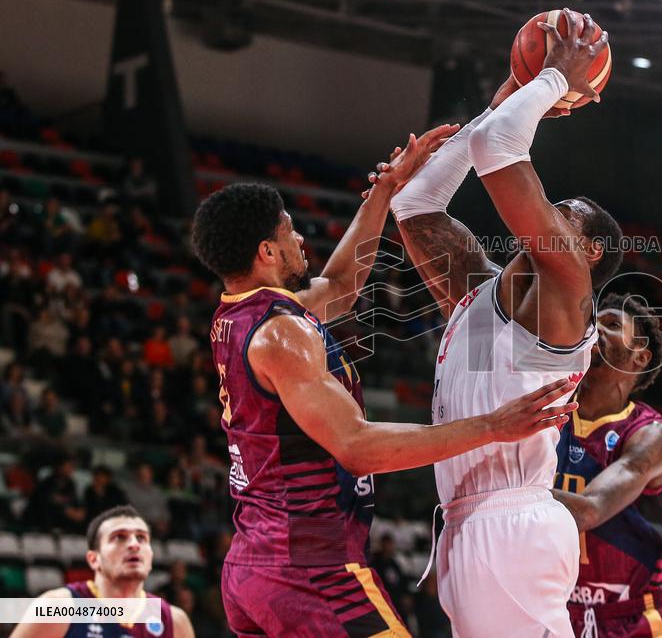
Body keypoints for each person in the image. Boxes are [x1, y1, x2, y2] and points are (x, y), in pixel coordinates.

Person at [190, 126, 580, 638]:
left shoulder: (241, 316)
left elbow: (342, 285)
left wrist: (384, 191)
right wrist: (492, 426)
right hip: (309, 566)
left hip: (256, 560)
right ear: (266, 251)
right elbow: (357, 447)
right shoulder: (281, 333)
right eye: (289, 232)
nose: (300, 239)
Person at [388, 9, 619, 636]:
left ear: (589, 250)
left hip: (514, 522)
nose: (546, 209)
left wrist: (549, 80)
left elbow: (499, 146)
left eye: (565, 212)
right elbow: (414, 204)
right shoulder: (479, 290)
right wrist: (510, 95)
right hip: (468, 520)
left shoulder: (567, 287)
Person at [552, 292, 662, 637]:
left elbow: (590, 510)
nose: (594, 330)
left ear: (640, 357)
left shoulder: (652, 435)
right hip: (553, 612)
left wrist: (502, 493)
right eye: (591, 323)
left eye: (610, 324)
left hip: (633, 619)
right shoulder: (546, 413)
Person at [11, 505, 194, 638]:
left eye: (141, 538)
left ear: (151, 556)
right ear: (94, 559)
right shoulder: (60, 607)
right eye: (119, 537)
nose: (134, 545)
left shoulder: (174, 621)